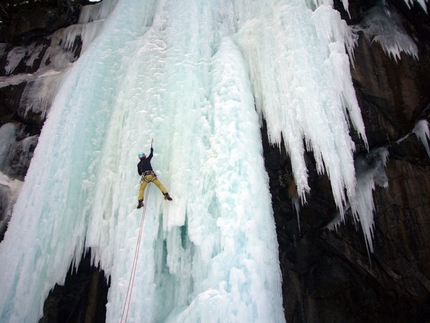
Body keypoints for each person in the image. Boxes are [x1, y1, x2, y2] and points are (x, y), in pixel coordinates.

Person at [137, 141, 172, 209]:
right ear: (144, 156)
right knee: (159, 185)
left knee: (141, 189)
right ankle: (166, 194)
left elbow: (139, 173)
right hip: (152, 175)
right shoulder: (147, 160)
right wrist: (151, 147)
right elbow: (151, 154)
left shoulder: (138, 164)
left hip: (145, 177)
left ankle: (140, 202)